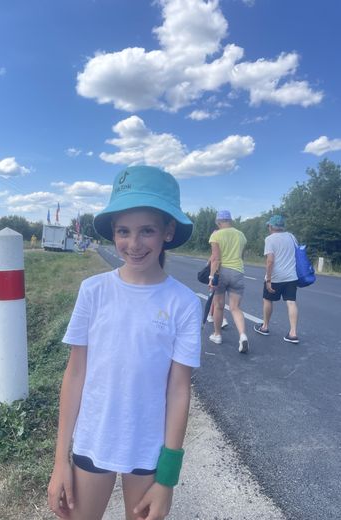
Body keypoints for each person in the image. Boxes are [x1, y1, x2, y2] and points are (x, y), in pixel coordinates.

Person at [48, 165, 202, 520]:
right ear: (113, 233)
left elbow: (179, 391)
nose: (133, 244)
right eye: (123, 231)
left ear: (168, 231)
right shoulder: (93, 291)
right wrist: (60, 461)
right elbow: (74, 376)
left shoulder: (184, 303)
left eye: (146, 230)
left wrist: (167, 479)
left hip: (148, 451)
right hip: (92, 441)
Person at [208, 210, 249, 353]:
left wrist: (212, 277)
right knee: (235, 308)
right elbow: (241, 256)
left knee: (219, 306)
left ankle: (217, 335)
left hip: (222, 272)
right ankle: (243, 336)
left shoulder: (216, 235)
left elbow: (215, 259)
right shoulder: (241, 235)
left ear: (218, 222)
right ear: (230, 221)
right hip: (238, 272)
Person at [254, 215, 299, 343]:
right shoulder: (292, 237)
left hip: (276, 277)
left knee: (268, 300)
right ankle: (293, 333)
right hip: (291, 276)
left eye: (268, 226)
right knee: (291, 302)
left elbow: (270, 261)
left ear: (271, 226)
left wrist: (268, 279)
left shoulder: (270, 239)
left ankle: (265, 327)